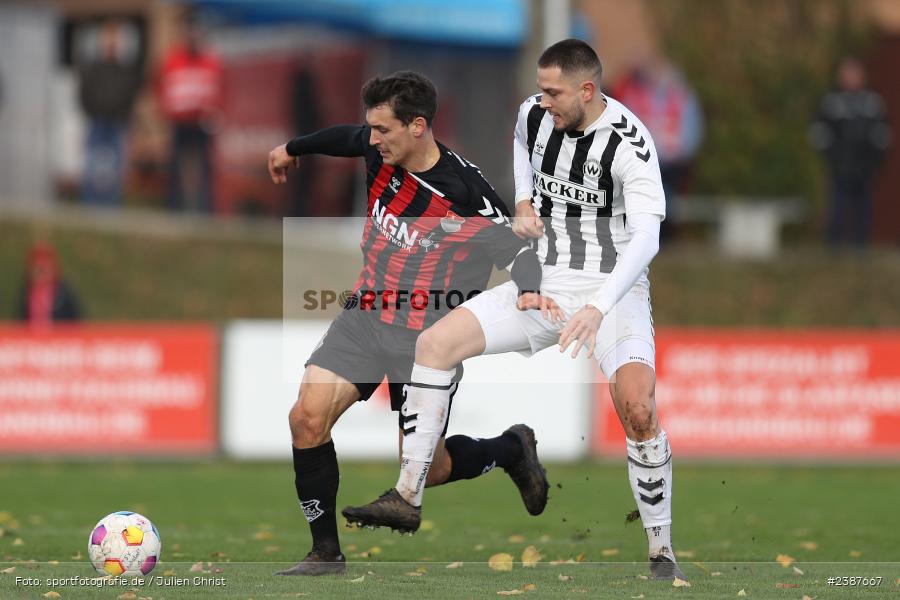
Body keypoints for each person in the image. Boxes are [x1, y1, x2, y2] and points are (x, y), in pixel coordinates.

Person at [347, 40, 686, 582]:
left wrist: (599, 307)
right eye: (540, 88)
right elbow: (521, 140)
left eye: (553, 91)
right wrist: (524, 200)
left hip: (612, 292)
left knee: (639, 408)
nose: (542, 99)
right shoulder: (536, 113)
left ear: (587, 91)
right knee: (433, 345)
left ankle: (662, 552)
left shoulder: (630, 145)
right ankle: (408, 496)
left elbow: (647, 239)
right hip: (542, 282)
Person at [266, 71, 555, 576]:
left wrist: (529, 290)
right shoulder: (379, 148)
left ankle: (510, 449)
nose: (371, 140)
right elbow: (343, 138)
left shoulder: (466, 194)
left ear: (417, 126)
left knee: (432, 467)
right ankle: (325, 553)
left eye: (382, 130)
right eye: (371, 129)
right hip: (364, 316)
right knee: (305, 420)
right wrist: (294, 148)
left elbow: (518, 252)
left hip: (424, 341)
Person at [612, 55, 702, 242]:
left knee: (662, 190)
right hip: (640, 160)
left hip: (672, 163)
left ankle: (659, 234)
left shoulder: (682, 97)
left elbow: (691, 133)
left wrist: (679, 156)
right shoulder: (633, 94)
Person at [810, 56, 891, 248]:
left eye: (854, 73)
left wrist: (875, 160)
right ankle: (834, 247)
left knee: (863, 208)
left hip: (864, 165)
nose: (851, 77)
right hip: (840, 164)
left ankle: (861, 247)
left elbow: (882, 133)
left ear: (862, 76)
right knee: (837, 207)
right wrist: (831, 156)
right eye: (847, 73)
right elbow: (819, 132)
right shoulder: (831, 100)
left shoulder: (872, 101)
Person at [156, 16, 222, 212]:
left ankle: (204, 209)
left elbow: (220, 89)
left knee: (205, 166)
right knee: (176, 164)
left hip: (203, 121)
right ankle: (175, 207)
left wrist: (216, 111)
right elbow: (159, 86)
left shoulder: (211, 61)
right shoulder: (172, 60)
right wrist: (165, 110)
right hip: (179, 121)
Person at [77, 19, 143, 206]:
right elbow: (84, 93)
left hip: (117, 123)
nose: (111, 44)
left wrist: (123, 114)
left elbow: (131, 95)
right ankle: (90, 203)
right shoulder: (93, 68)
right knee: (92, 165)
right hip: (96, 121)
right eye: (108, 39)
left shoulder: (125, 69)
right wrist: (91, 111)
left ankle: (111, 204)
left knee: (115, 167)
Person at [17, 243, 82, 327]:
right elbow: (20, 319)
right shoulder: (27, 291)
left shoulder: (63, 292)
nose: (41, 273)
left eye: (44, 269)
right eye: (39, 269)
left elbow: (76, 319)